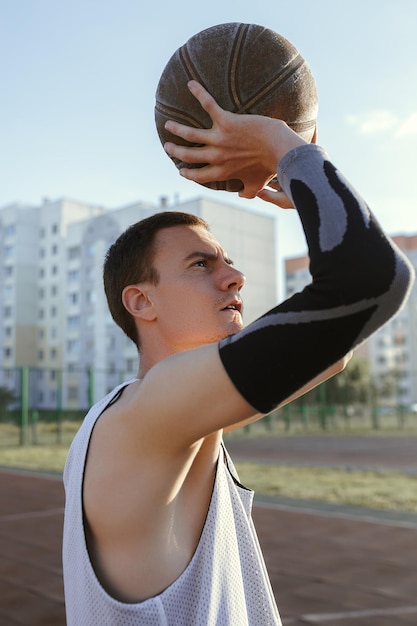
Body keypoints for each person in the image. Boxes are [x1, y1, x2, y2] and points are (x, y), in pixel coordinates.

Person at [62, 80, 414, 625]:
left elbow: (335, 346)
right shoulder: (145, 416)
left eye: (226, 261)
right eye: (202, 265)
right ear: (141, 301)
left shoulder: (177, 417)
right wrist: (285, 146)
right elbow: (371, 279)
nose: (235, 277)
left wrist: (302, 188)